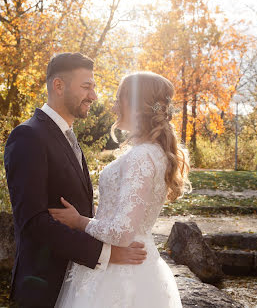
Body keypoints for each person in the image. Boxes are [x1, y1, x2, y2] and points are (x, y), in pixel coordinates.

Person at [4, 53, 148, 307]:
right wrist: (109, 254)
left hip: (77, 287)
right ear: (58, 86)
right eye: (86, 87)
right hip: (43, 287)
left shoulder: (66, 136)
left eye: (93, 87)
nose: (93, 95)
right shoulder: (28, 136)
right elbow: (33, 222)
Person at [49, 71, 191, 307]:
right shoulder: (154, 153)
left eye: (118, 100)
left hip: (121, 273)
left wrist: (79, 221)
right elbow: (130, 212)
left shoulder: (141, 157)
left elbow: (122, 233)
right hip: (139, 266)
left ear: (135, 105)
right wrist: (99, 210)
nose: (114, 108)